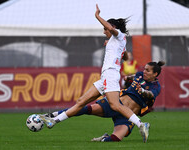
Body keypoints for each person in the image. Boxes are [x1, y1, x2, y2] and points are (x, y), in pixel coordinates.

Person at [39, 4, 150, 142]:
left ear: (113, 28)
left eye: (105, 29)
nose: (105, 32)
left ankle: (141, 124)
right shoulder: (117, 41)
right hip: (105, 77)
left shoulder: (119, 35)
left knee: (115, 105)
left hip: (110, 75)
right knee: (81, 101)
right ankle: (54, 121)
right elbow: (126, 57)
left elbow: (111, 29)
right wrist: (115, 50)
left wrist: (97, 16)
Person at [41, 61, 165, 142]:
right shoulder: (139, 75)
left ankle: (103, 139)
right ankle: (52, 116)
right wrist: (128, 79)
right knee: (87, 109)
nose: (144, 71)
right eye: (145, 69)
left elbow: (149, 94)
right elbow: (132, 78)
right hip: (116, 104)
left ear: (155, 74)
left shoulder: (156, 87)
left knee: (116, 138)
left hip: (128, 116)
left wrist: (142, 91)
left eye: (148, 70)